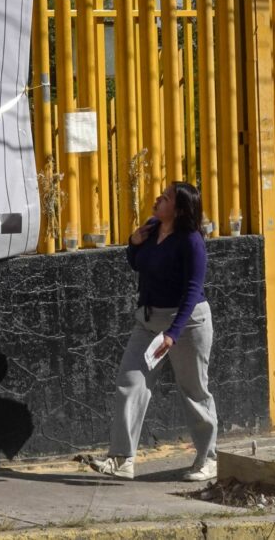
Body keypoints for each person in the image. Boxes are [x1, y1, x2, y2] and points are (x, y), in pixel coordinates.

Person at [88, 182, 218, 482]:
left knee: (194, 390)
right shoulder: (151, 227)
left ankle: (208, 458)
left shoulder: (192, 241)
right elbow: (137, 264)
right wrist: (133, 243)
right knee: (130, 382)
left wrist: (173, 332)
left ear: (180, 209)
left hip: (187, 324)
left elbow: (193, 290)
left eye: (166, 198)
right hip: (148, 321)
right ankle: (122, 459)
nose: (158, 199)